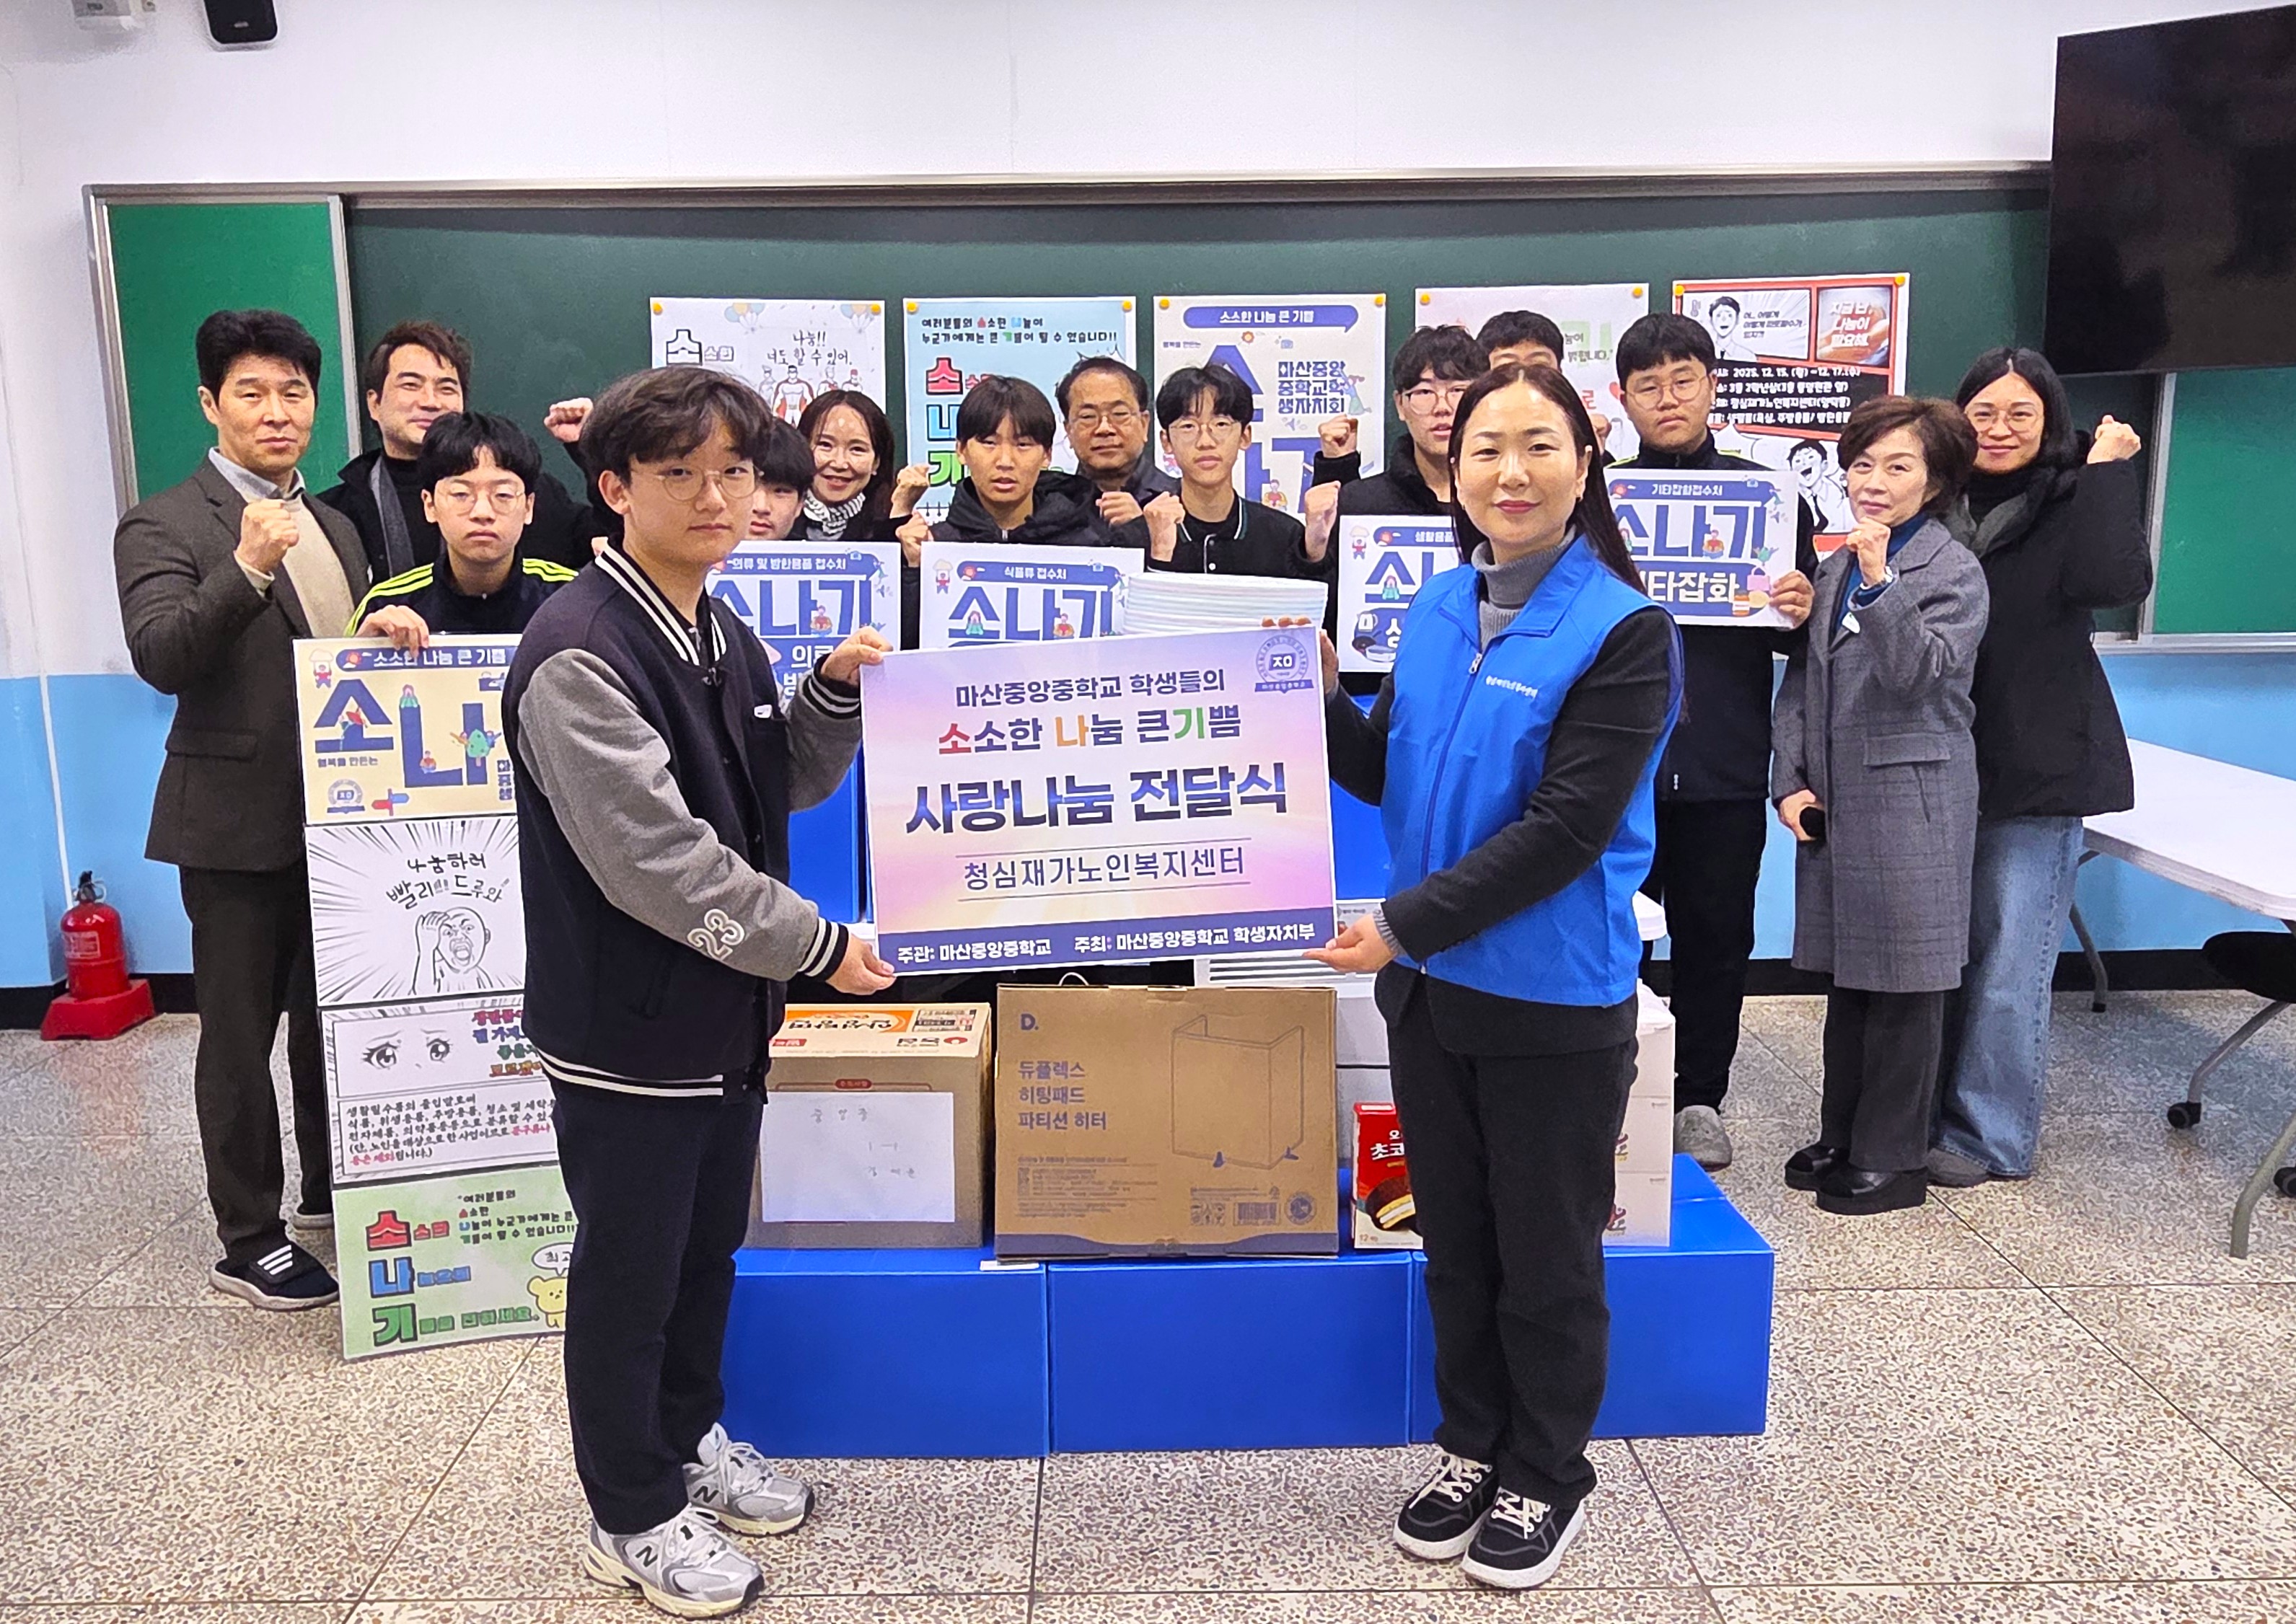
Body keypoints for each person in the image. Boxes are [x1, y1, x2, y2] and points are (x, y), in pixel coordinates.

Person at [504, 365, 897, 1617]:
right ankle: (629, 1512)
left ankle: (689, 1439)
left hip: (720, 1016)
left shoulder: (717, 627)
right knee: (628, 1275)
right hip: (627, 1025)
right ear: (614, 487)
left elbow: (767, 782)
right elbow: (659, 863)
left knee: (703, 1253)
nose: (717, 494)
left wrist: (830, 693)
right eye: (681, 473)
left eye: (735, 470)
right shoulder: (579, 653)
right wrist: (820, 944)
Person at [1308, 363, 1679, 1591]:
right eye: (1482, 450)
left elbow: (1567, 830)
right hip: (1429, 996)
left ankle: (1546, 1469)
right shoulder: (1428, 606)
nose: (1506, 473)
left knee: (1545, 1253)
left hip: (1549, 1000)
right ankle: (1471, 1443)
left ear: (1583, 463)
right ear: (1450, 469)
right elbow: (1386, 774)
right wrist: (1310, 699)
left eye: (1535, 446)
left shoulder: (1622, 630)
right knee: (1455, 1241)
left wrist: (1401, 922)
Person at [113, 309, 371, 1310]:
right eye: (253, 393)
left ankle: (325, 1188)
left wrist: (382, 631)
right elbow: (162, 655)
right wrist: (248, 565)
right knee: (235, 1035)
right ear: (211, 405)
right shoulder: (167, 522)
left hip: (341, 822)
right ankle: (247, 1236)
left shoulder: (335, 522)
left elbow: (332, 658)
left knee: (325, 1021)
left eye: (294, 391)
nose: (277, 411)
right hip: (229, 823)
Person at [1927, 348, 2150, 1186]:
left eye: (2022, 413)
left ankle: (1991, 1136)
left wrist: (2105, 474)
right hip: (1941, 765)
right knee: (1939, 958)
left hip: (2040, 762)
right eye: (1984, 411)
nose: (2000, 429)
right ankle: (1925, 1111)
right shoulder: (1934, 500)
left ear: (2052, 423)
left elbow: (2112, 579)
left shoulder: (2074, 496)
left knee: (2009, 965)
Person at [1608, 313, 1818, 1171]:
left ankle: (1699, 1096)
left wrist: (1798, 607)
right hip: (1616, 764)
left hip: (1727, 759)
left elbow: (1793, 640)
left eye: (1683, 378)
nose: (1667, 397)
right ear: (1623, 398)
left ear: (1712, 386)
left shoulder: (1768, 496)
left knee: (1715, 935)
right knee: (1613, 933)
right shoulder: (1599, 495)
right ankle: (1609, 1080)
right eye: (1648, 384)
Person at [1772, 395, 1988, 1217]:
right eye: (1861, 463)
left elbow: (1920, 672)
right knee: (1851, 983)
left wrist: (1879, 582)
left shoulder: (1952, 569)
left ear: (1934, 481)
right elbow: (1804, 680)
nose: (1873, 481)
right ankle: (1844, 1134)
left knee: (1907, 987)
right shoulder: (1835, 564)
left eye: (1898, 466)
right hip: (1839, 798)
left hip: (1915, 799)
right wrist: (1787, 778)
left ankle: (1894, 1159)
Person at [317, 321, 595, 575]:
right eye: (411, 385)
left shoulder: (522, 492)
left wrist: (591, 447)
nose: (430, 401)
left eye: (446, 388)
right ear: (375, 404)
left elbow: (617, 539)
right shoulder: (335, 516)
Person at [348, 412, 576, 644]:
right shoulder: (387, 604)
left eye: (503, 494)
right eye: (461, 494)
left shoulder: (571, 597)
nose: (483, 512)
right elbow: (333, 675)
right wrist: (362, 652)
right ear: (430, 505)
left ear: (528, 507)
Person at [1141, 363, 1319, 578]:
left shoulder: (1284, 536)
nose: (1205, 442)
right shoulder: (1135, 537)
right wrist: (1160, 552)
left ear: (1245, 436)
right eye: (1188, 426)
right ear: (1166, 441)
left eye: (1221, 424)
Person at [1057, 355, 1179, 542]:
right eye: (1088, 416)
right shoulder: (1049, 511)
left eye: (1119, 414)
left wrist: (1143, 529)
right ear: (1069, 431)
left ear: (1144, 424)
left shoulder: (1181, 500)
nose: (1104, 429)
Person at [794, 388, 928, 541]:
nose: (840, 463)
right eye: (826, 445)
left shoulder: (891, 521)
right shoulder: (775, 517)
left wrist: (900, 513)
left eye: (857, 449)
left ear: (876, 463)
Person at [1477, 311, 1612, 450]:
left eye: (1539, 367)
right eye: (1507, 369)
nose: (1524, 379)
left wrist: (1591, 450)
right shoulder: (1469, 436)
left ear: (1560, 374)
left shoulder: (1580, 437)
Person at [744, 414, 816, 541]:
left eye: (780, 491)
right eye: (749, 486)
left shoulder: (815, 559)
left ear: (800, 504)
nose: (761, 507)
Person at [1787, 437, 1855, 531]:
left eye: (1810, 457)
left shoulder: (1832, 492)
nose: (1804, 463)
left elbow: (1835, 525)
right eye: (1798, 461)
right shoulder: (1791, 496)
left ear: (1824, 465)